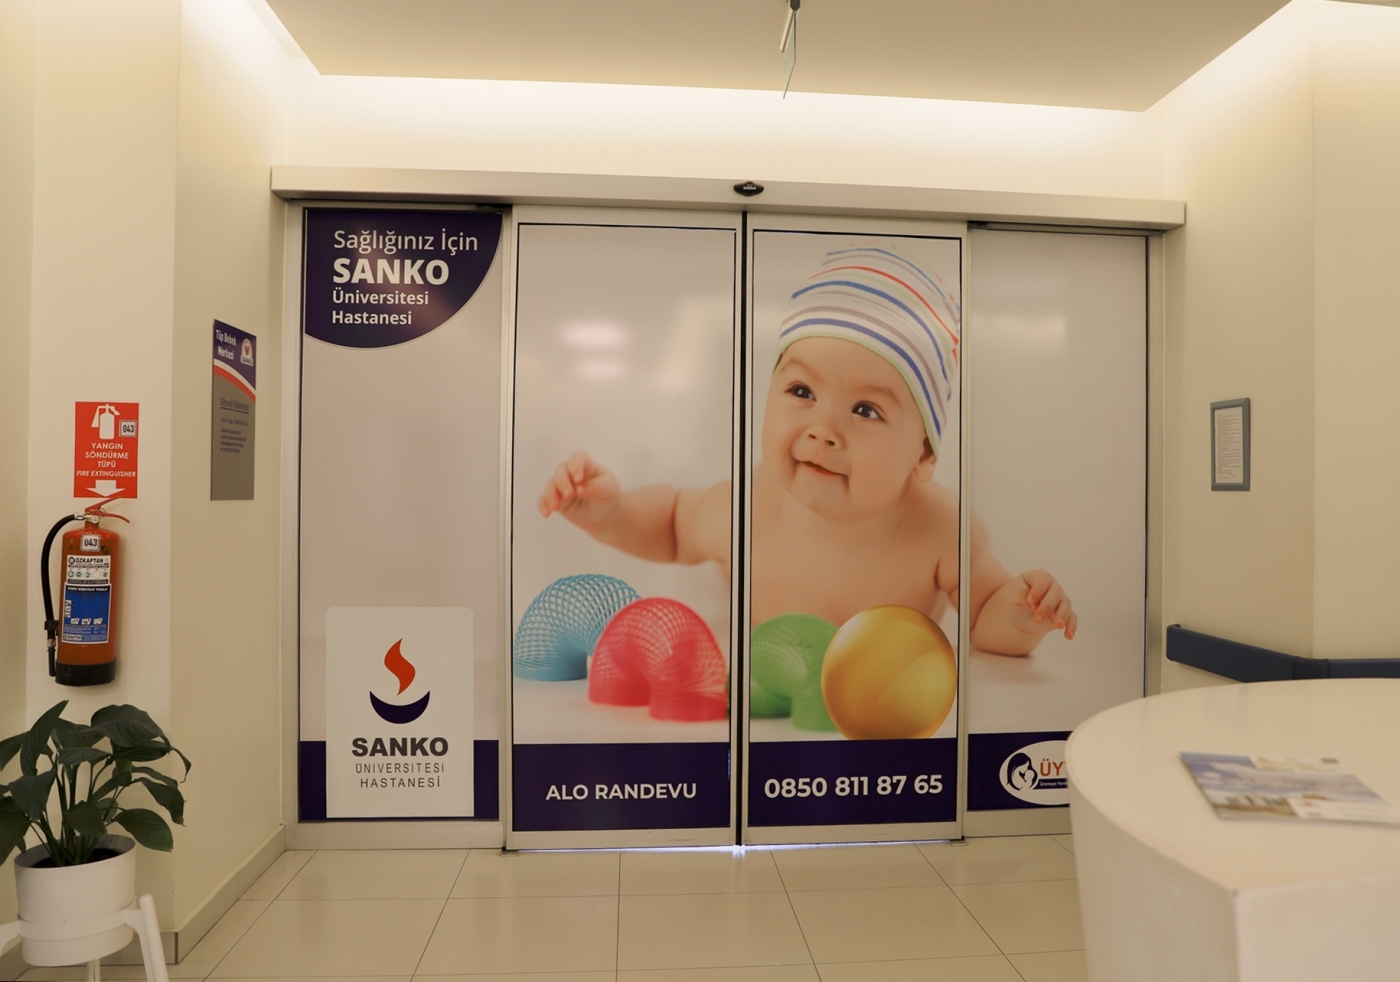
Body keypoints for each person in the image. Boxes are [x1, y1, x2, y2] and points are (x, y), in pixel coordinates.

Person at [536, 244, 1075, 656]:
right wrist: (612, 513)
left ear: (924, 455)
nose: (823, 431)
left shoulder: (939, 530)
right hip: (773, 701)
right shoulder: (747, 508)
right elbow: (674, 525)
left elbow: (983, 617)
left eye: (865, 410)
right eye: (801, 392)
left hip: (881, 712)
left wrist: (1021, 615)